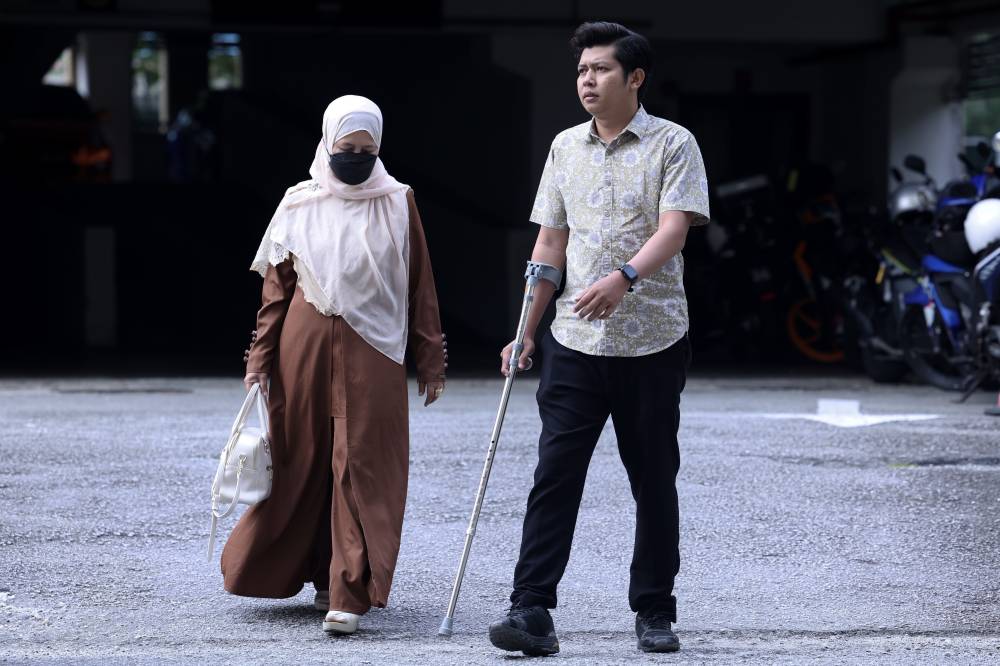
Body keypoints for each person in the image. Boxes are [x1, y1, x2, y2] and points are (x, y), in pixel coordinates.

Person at [488, 22, 709, 656]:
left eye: (602, 70)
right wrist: (525, 330)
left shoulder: (673, 144)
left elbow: (675, 230)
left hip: (653, 340)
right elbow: (550, 245)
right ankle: (531, 610)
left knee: (653, 479)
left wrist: (624, 278)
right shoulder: (564, 148)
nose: (588, 80)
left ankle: (655, 611)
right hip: (573, 345)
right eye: (583, 70)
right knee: (554, 476)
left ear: (635, 77)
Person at [221, 95, 448, 635]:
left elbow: (420, 285)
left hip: (375, 349)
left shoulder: (398, 201)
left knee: (361, 461)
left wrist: (430, 359)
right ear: (328, 145)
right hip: (303, 348)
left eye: (368, 150)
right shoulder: (298, 203)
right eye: (347, 149)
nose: (357, 158)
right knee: (303, 459)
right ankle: (318, 573)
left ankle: (348, 590)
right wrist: (259, 360)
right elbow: (275, 293)